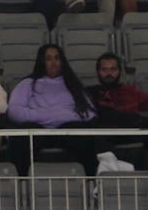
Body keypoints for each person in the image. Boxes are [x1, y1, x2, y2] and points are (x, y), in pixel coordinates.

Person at [6, 45, 103, 174]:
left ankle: (90, 183)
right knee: (22, 137)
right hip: (37, 130)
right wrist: (59, 114)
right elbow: (14, 112)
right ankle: (21, 185)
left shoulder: (73, 84)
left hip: (67, 130)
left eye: (57, 58)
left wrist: (47, 115)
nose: (53, 63)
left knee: (84, 134)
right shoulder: (27, 84)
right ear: (41, 61)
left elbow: (89, 113)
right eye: (48, 58)